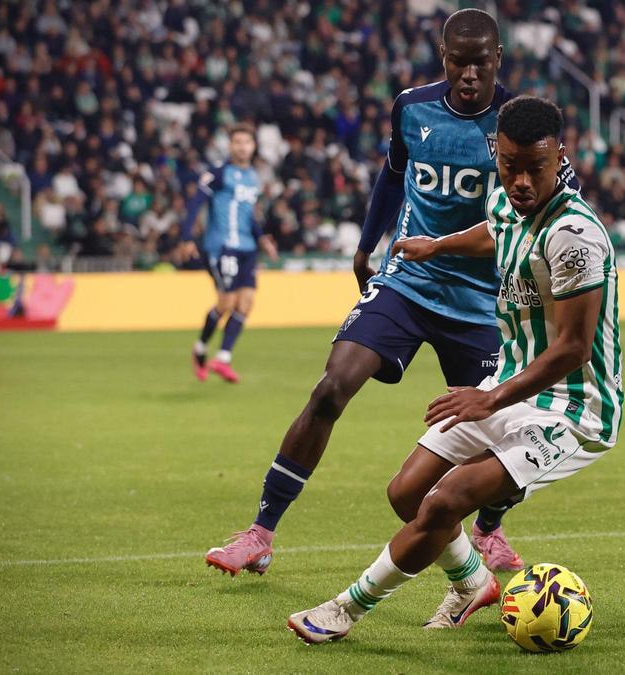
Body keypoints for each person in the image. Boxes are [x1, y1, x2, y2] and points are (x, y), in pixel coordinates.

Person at [204, 9, 577, 578]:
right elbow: (393, 174)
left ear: (498, 59)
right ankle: (260, 533)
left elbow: (557, 203)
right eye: (458, 61)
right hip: (408, 281)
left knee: (500, 429)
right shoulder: (412, 107)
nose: (469, 74)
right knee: (331, 387)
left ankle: (489, 530)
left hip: (485, 301)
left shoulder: (519, 126)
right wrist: (365, 246)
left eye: (481, 63)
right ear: (443, 56)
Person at [287, 95, 623, 642]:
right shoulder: (508, 200)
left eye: (535, 168)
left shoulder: (574, 236)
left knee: (446, 500)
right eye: (509, 165)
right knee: (406, 493)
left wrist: (489, 398)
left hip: (573, 409)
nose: (520, 181)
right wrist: (437, 246)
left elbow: (572, 349)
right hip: (510, 385)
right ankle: (472, 582)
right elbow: (494, 231)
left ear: (560, 156)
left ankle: (345, 610)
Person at [180, 123, 278, 383]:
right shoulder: (218, 173)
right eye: (237, 142)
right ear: (230, 145)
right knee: (226, 303)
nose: (242, 147)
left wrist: (262, 239)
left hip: (248, 248)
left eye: (247, 142)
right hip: (222, 246)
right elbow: (195, 203)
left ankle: (222, 359)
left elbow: (250, 214)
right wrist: (187, 237)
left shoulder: (253, 177)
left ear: (253, 146)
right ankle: (200, 349)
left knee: (246, 303)